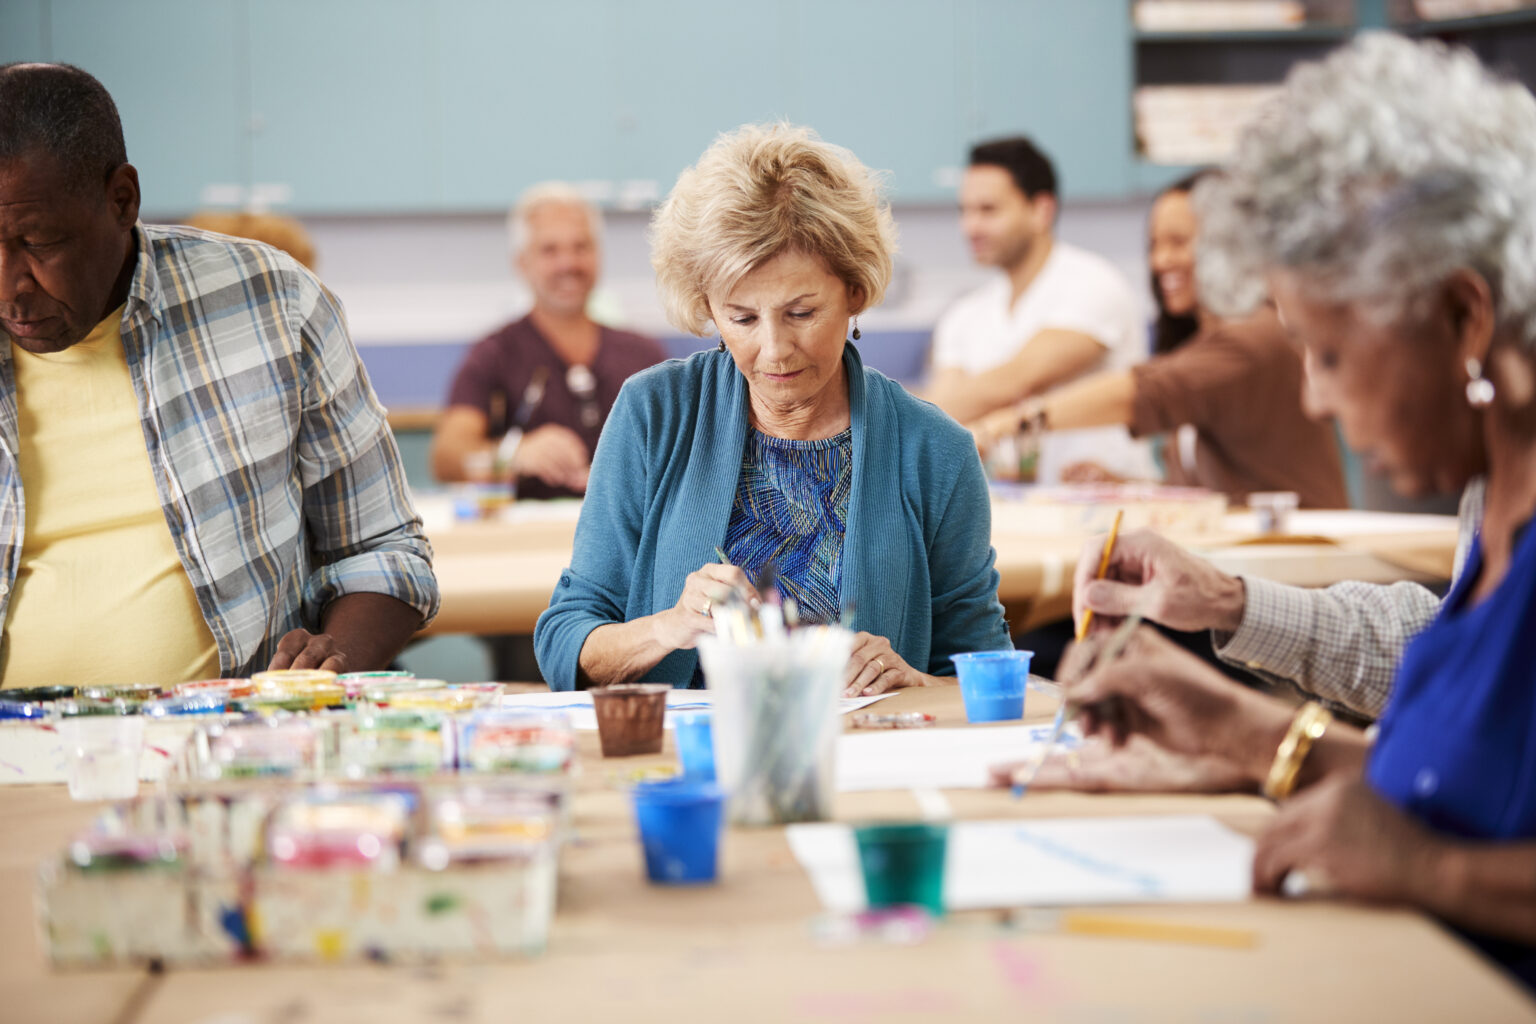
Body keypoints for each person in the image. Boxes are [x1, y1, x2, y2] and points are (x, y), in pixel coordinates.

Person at [1002, 35, 1536, 988]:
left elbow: (1460, 819)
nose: (1318, 402)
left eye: (1328, 355)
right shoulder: (1490, 492)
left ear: (1464, 316)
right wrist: (1246, 724)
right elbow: (1466, 706)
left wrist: (1437, 870)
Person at [0, 63, 438, 684]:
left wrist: (332, 661)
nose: (8, 288)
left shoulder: (274, 302)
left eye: (40, 244)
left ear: (122, 199)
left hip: (232, 749)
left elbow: (384, 550)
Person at [534, 124, 1011, 692]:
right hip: (687, 761)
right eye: (742, 318)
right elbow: (565, 639)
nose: (774, 349)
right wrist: (669, 627)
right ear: (707, 306)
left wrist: (911, 679)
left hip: (865, 767)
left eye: (802, 312)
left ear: (855, 292)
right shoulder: (652, 414)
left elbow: (988, 676)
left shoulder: (935, 451)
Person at [973, 173, 1348, 509]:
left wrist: (997, 427)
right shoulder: (1209, 342)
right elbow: (1215, 497)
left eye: (1178, 242)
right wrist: (1127, 488)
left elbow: (1140, 393)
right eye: (1155, 244)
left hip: (1304, 564)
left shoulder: (1252, 339)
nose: (1160, 260)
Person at [924, 136, 1155, 483]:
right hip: (1017, 511)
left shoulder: (1094, 283)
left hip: (1109, 503)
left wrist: (886, 418)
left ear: (1041, 210)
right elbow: (942, 408)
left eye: (988, 210)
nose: (970, 227)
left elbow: (1016, 381)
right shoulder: (964, 315)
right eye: (965, 211)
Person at [430, 183, 665, 500]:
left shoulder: (643, 355)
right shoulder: (494, 354)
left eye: (581, 247)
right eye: (549, 250)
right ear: (522, 263)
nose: (568, 263)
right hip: (530, 542)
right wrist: (516, 455)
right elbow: (446, 457)